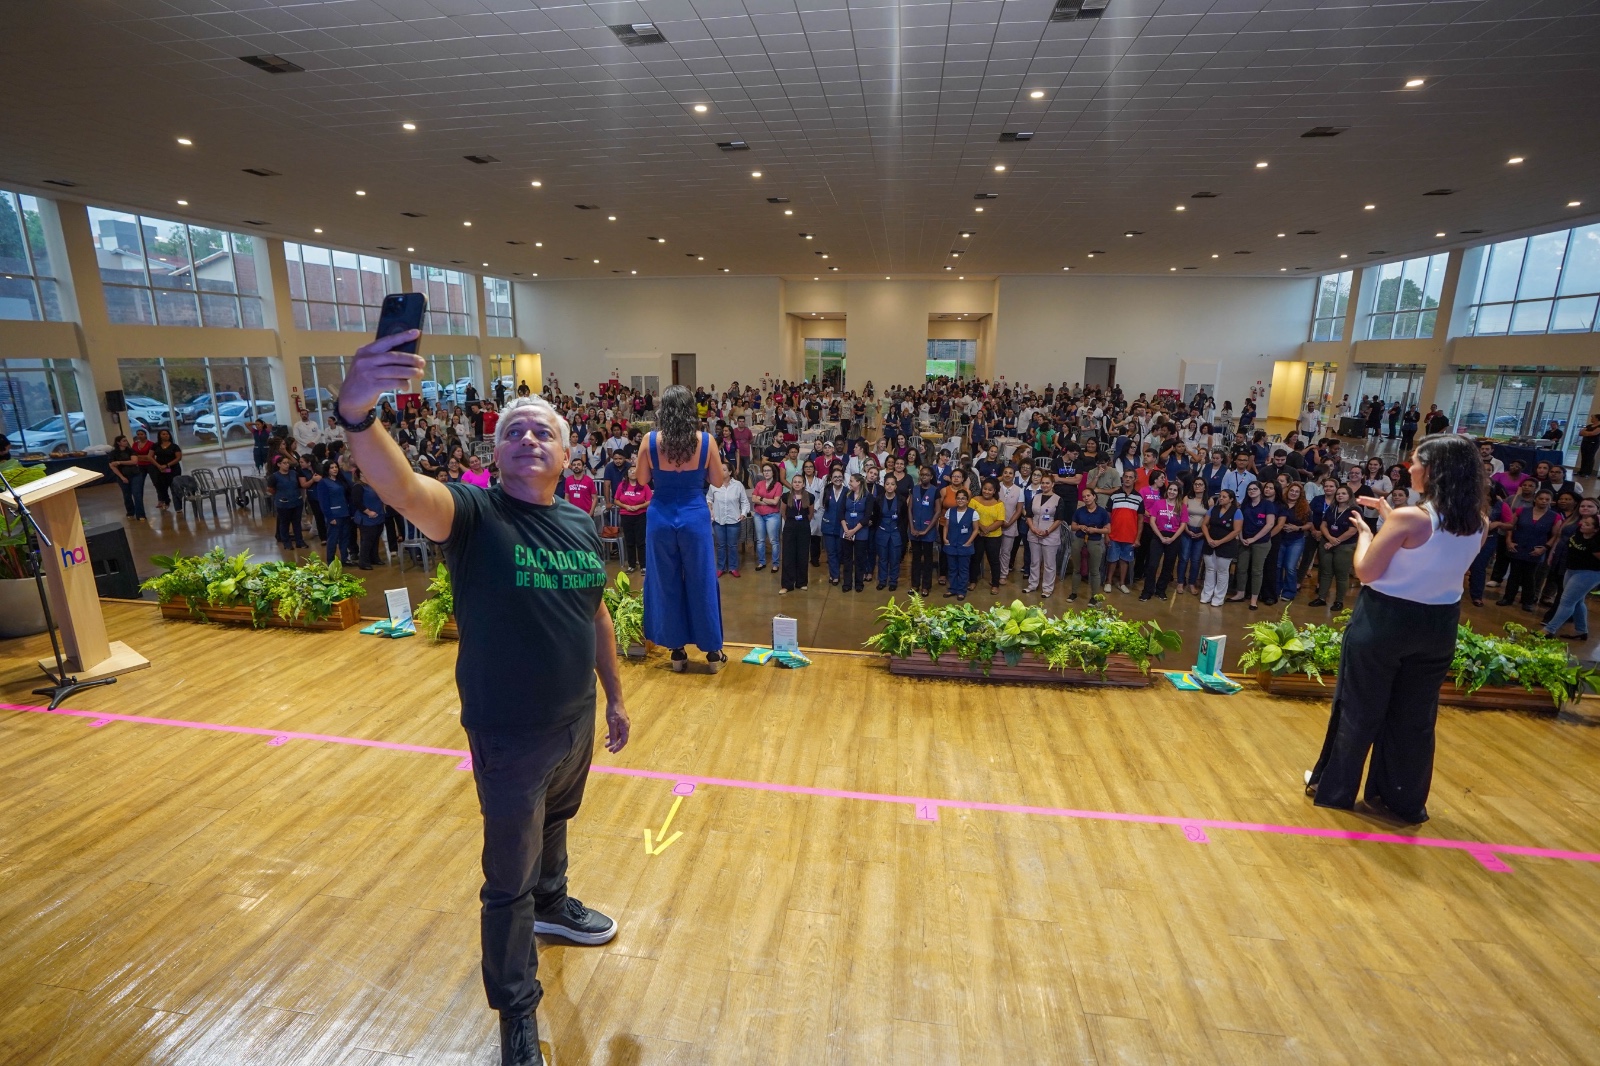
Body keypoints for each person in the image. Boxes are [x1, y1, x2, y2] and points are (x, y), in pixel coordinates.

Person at [337, 328, 629, 1065]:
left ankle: (554, 906)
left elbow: (595, 612)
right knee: (506, 881)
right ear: (494, 456)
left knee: (558, 822)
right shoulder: (471, 516)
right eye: (514, 431)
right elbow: (400, 486)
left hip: (574, 721)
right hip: (509, 735)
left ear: (568, 457)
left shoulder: (578, 524)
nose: (529, 438)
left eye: (545, 432)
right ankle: (516, 1011)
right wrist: (357, 414)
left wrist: (615, 697)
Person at [1307, 434, 1487, 826]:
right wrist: (1391, 515)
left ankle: (1336, 790)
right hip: (1439, 627)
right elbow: (1429, 555)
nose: (1410, 467)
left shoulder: (1410, 518)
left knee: (1359, 708)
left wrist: (1369, 535)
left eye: (1416, 460)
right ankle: (1401, 799)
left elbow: (1367, 571)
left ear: (1436, 470)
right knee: (1415, 718)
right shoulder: (1479, 523)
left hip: (1385, 621)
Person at [637, 384, 730, 672]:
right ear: (691, 410)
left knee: (666, 580)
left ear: (663, 410)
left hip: (661, 514)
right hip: (694, 513)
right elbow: (716, 481)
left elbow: (641, 480)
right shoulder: (706, 441)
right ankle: (713, 652)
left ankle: (677, 652)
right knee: (701, 579)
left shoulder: (649, 441)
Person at [1499, 488, 1559, 611]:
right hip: (1518, 547)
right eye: (1541, 498)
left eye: (1547, 499)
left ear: (1551, 501)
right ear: (1535, 499)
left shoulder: (1554, 517)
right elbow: (1510, 526)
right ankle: (1508, 598)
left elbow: (1555, 536)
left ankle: (1527, 601)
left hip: (1536, 550)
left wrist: (1544, 548)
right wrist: (1509, 541)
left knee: (1530, 576)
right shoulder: (1521, 511)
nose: (1543, 501)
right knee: (1514, 574)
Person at [1544, 513, 1600, 640]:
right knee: (1578, 601)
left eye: (1587, 524)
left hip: (1588, 573)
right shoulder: (1579, 532)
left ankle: (1549, 630)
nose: (1582, 524)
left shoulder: (1596, 543)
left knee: (1567, 601)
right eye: (1584, 522)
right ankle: (1581, 631)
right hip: (1571, 569)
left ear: (1596, 530)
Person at [1309, 485, 1358, 610]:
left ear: (1349, 496)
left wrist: (1334, 541)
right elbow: (1323, 525)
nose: (1340, 496)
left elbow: (1352, 531)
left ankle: (1339, 601)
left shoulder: (1354, 510)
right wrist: (1330, 538)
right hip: (1327, 542)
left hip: (1345, 546)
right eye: (1338, 494)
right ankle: (1321, 598)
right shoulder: (1332, 508)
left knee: (1341, 575)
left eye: (1343, 494)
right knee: (1325, 572)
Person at [1140, 481, 1183, 601]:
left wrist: (1173, 538)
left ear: (1178, 493)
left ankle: (1160, 590)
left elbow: (1183, 525)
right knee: (1152, 565)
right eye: (1170, 489)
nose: (1172, 492)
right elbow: (1152, 521)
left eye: (1175, 490)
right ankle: (1147, 591)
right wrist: (1160, 537)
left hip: (1173, 537)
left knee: (1168, 566)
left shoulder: (1181, 506)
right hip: (1158, 536)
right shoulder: (1159, 503)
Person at [1199, 488, 1242, 607]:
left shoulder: (1236, 511)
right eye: (1220, 496)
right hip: (1210, 542)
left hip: (1226, 545)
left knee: (1222, 571)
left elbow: (1237, 530)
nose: (1221, 498)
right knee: (1210, 569)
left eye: (1224, 497)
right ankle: (1206, 595)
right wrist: (1208, 539)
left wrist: (1220, 542)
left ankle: (1218, 597)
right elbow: (1204, 524)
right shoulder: (1213, 509)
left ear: (1231, 499)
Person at [707, 471, 750, 577]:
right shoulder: (713, 484)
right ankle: (721, 567)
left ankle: (733, 567)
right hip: (718, 519)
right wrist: (709, 505)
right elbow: (709, 498)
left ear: (730, 472)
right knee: (720, 545)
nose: (721, 471)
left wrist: (743, 513)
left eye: (724, 469)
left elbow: (744, 501)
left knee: (732, 545)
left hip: (733, 519)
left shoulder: (738, 485)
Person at [1105, 471, 1142, 593]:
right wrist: (1106, 534)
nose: (1127, 479)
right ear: (1122, 478)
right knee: (1112, 560)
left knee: (1125, 560)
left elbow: (1141, 520)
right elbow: (1107, 517)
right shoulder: (1114, 496)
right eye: (1126, 477)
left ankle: (1122, 584)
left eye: (1130, 477)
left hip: (1130, 536)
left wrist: (1137, 538)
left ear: (1135, 479)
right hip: (1114, 534)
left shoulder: (1139, 498)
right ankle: (1108, 582)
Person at [907, 467, 939, 596]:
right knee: (915, 558)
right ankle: (915, 585)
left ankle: (926, 586)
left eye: (927, 475)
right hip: (914, 530)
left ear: (931, 477)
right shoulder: (914, 490)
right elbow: (910, 509)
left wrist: (926, 530)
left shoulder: (935, 491)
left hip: (928, 531)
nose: (924, 476)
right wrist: (912, 527)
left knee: (927, 559)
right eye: (922, 474)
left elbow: (937, 511)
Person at [266, 455, 309, 549]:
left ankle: (299, 541)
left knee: (297, 523)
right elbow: (270, 489)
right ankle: (287, 542)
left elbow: (299, 485)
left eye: (287, 463)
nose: (287, 465)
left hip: (296, 501)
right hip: (283, 503)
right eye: (284, 463)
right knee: (284, 523)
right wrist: (280, 495)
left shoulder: (294, 473)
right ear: (279, 464)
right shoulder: (274, 476)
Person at [615, 464, 651, 573]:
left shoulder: (644, 486)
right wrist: (626, 506)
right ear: (627, 474)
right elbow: (616, 500)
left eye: (635, 471)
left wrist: (638, 506)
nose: (633, 473)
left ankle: (643, 566)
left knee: (640, 542)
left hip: (640, 516)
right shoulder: (622, 485)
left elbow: (650, 501)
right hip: (626, 515)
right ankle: (631, 565)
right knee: (629, 541)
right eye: (630, 471)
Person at [971, 477, 1005, 593]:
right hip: (978, 534)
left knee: (994, 560)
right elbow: (971, 516)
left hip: (994, 536)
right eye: (985, 489)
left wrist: (987, 529)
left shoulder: (999, 504)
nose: (987, 491)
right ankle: (973, 581)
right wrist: (981, 527)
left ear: (994, 491)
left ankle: (995, 584)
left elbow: (1000, 520)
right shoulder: (974, 500)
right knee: (975, 559)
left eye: (990, 490)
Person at [779, 473, 812, 593]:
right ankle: (787, 585)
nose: (797, 484)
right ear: (792, 484)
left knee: (802, 555)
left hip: (804, 526)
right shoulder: (785, 496)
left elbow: (810, 513)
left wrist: (802, 522)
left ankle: (801, 582)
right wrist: (791, 521)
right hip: (790, 526)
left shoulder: (810, 496)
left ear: (803, 484)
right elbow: (783, 512)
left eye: (799, 482)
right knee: (788, 556)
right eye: (795, 482)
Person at [942, 488, 978, 600]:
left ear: (967, 500)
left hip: (964, 545)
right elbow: (946, 526)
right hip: (951, 544)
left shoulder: (973, 513)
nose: (960, 500)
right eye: (958, 498)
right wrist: (944, 538)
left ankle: (961, 590)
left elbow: (976, 529)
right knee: (952, 568)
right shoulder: (950, 511)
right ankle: (952, 588)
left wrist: (969, 542)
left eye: (963, 498)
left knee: (963, 569)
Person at [349, 469, 387, 570]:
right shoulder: (358, 486)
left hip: (378, 515)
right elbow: (356, 502)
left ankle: (374, 558)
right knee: (367, 540)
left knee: (375, 539)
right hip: (366, 518)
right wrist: (368, 512)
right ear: (360, 474)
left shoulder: (373, 484)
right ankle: (364, 561)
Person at [750, 463, 784, 572]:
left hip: (773, 516)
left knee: (774, 540)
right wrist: (766, 501)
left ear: (773, 472)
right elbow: (753, 499)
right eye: (764, 470)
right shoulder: (759, 484)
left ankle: (775, 563)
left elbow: (775, 502)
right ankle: (761, 562)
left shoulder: (778, 485)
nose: (766, 472)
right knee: (760, 540)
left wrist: (761, 499)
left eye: (768, 470)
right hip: (759, 515)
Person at [840, 472, 871, 592]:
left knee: (860, 558)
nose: (849, 483)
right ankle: (847, 583)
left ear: (858, 482)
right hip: (846, 531)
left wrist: (853, 531)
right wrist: (847, 530)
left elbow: (867, 516)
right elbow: (841, 513)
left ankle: (859, 583)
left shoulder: (867, 496)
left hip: (860, 531)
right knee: (847, 558)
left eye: (852, 481)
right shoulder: (846, 494)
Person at [108, 435, 140, 518]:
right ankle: (130, 512)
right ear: (119, 443)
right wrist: (122, 477)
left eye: (126, 440)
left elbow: (134, 461)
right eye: (124, 441)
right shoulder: (113, 453)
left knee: (136, 493)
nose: (126, 442)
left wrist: (119, 462)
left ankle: (140, 512)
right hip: (122, 475)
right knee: (127, 495)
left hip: (134, 474)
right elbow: (112, 466)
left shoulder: (131, 451)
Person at [127, 428, 154, 521]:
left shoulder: (151, 444)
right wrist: (141, 458)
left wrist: (140, 457)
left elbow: (150, 457)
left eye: (141, 434)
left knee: (156, 482)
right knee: (139, 485)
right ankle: (139, 504)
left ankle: (162, 500)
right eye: (138, 434)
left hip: (150, 465)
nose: (140, 436)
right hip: (140, 466)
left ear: (145, 435)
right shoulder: (135, 444)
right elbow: (133, 456)